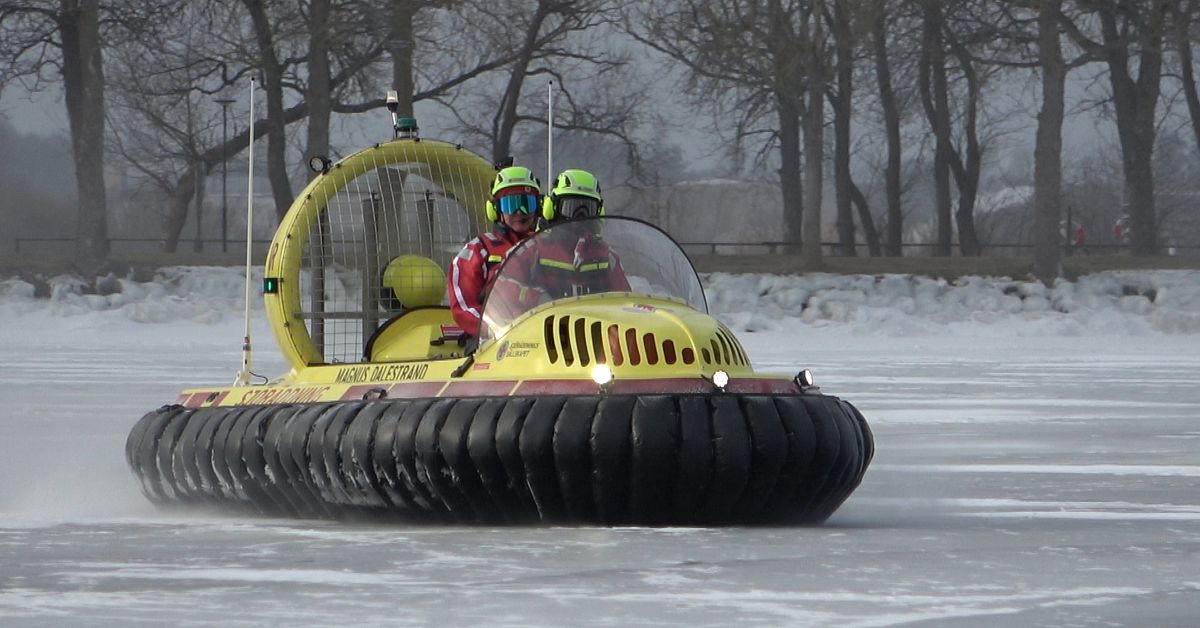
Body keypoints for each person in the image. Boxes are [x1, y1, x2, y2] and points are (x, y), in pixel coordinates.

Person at [493, 169, 630, 308]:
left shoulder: (606, 255)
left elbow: (627, 300)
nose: (579, 217)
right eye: (570, 208)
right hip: (542, 327)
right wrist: (536, 297)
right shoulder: (532, 249)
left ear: (599, 212)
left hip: (593, 327)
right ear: (551, 209)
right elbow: (498, 286)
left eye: (588, 209)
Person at [446, 165, 541, 339]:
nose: (520, 212)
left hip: (542, 340)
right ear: (495, 209)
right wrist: (496, 330)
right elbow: (464, 307)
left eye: (527, 204)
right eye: (511, 205)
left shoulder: (545, 247)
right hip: (493, 344)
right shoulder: (478, 250)